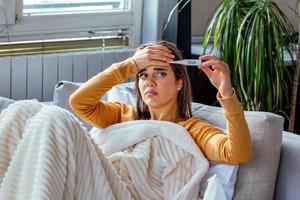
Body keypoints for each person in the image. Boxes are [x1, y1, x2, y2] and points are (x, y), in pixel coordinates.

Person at [69, 40, 252, 164]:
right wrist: (131, 64)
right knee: (50, 117)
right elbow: (79, 102)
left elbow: (237, 153)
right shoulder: (122, 115)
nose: (149, 82)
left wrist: (226, 93)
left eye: (160, 73)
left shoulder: (193, 129)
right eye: (143, 75)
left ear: (179, 82)